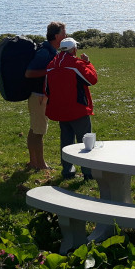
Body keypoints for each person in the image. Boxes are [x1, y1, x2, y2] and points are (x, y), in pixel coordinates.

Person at [45, 37, 98, 179]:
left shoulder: (51, 65)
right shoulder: (75, 64)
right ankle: (88, 172)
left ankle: (67, 171)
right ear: (74, 49)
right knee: (85, 142)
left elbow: (46, 89)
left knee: (66, 142)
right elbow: (92, 79)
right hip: (78, 109)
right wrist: (88, 63)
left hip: (60, 110)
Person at [24, 21, 67, 170]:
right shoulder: (44, 52)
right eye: (63, 33)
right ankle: (41, 165)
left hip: (40, 96)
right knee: (39, 131)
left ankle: (33, 162)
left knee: (34, 129)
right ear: (56, 36)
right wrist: (51, 71)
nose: (66, 35)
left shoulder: (51, 50)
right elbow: (29, 73)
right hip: (39, 97)